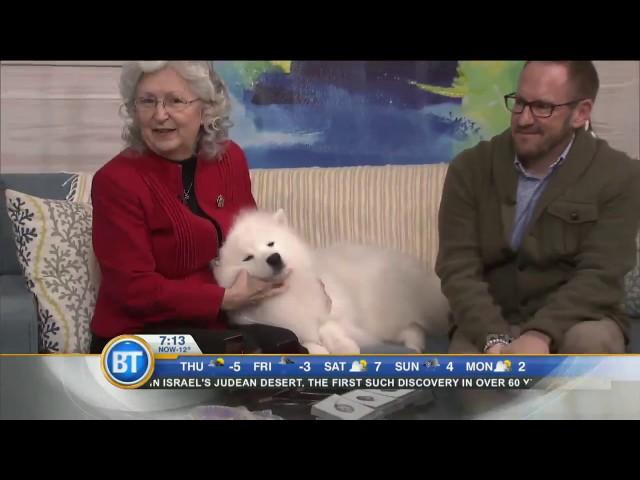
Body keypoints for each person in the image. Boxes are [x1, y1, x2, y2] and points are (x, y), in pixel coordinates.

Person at [89, 61, 301, 354]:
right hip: (136, 335)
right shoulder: (115, 181)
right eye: (147, 101)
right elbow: (132, 290)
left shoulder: (229, 159)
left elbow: (256, 239)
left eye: (175, 101)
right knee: (241, 353)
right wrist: (222, 299)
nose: (160, 114)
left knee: (286, 343)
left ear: (206, 109)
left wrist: (304, 280)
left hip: (212, 324)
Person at [436, 61, 640, 355]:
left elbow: (602, 274)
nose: (524, 118)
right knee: (470, 368)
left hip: (580, 319)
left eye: (542, 107)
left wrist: (540, 334)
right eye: (519, 103)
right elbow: (457, 268)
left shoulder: (620, 175)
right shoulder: (469, 168)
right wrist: (493, 338)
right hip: (490, 322)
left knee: (590, 342)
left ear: (580, 113)